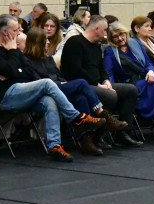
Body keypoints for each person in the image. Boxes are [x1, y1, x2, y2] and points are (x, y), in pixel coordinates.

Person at [0, 14, 106, 161]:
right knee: (47, 83)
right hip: (5, 96)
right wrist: (13, 55)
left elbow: (27, 70)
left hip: (22, 91)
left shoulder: (14, 50)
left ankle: (54, 146)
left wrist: (14, 71)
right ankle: (76, 117)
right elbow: (12, 70)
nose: (18, 33)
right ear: (5, 32)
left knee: (49, 101)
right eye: (15, 30)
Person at [60, 15, 143, 147]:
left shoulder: (96, 46)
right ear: (97, 29)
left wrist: (106, 81)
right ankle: (99, 136)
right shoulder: (74, 42)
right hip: (81, 84)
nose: (106, 34)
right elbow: (75, 70)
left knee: (130, 90)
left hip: (98, 84)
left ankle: (123, 133)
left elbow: (101, 68)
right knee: (109, 95)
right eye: (104, 30)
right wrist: (98, 84)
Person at [103, 22, 154, 140]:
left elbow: (148, 63)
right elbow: (109, 72)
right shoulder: (110, 51)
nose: (120, 38)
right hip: (129, 83)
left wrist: (150, 71)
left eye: (121, 34)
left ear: (126, 33)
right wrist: (110, 87)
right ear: (111, 39)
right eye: (115, 37)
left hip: (145, 77)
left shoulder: (135, 43)